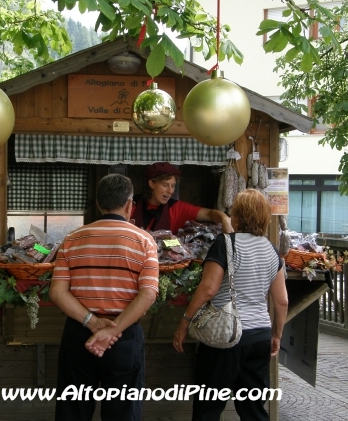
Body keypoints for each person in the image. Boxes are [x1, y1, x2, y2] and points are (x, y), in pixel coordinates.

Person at [49, 173, 159, 421]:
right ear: (130, 204)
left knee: (73, 413)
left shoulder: (71, 240)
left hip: (79, 334)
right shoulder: (145, 241)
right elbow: (148, 294)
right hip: (124, 336)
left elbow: (57, 292)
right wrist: (112, 329)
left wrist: (93, 323)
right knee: (123, 414)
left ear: (99, 204)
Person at [173, 189, 288, 421]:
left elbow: (208, 289)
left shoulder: (225, 244)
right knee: (253, 410)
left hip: (225, 337)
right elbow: (282, 300)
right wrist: (276, 335)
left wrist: (184, 323)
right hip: (260, 337)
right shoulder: (271, 250)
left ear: (236, 216)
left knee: (208, 408)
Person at [130, 162, 233, 234]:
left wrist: (224, 218)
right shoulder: (130, 206)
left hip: (166, 264)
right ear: (151, 183)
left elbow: (209, 214)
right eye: (165, 185)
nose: (170, 191)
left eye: (173, 186)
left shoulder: (177, 208)